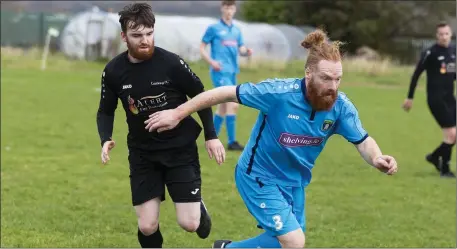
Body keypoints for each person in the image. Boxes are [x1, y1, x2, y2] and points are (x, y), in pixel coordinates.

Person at [145, 29, 399, 248]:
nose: (333, 86)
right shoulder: (278, 93)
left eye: (337, 78)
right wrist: (178, 113)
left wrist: (376, 157)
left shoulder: (340, 106)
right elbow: (225, 93)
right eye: (326, 78)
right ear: (309, 73)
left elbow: (363, 140)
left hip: (295, 183)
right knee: (294, 241)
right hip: (259, 177)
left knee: (285, 243)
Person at [96, 3, 226, 248]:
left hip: (180, 150)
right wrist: (105, 138)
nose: (144, 40)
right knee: (147, 226)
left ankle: (197, 205)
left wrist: (211, 135)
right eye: (137, 35)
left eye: (149, 33)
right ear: (124, 37)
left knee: (189, 224)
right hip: (142, 153)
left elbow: (202, 96)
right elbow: (105, 110)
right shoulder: (113, 71)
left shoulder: (171, 64)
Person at [402, 21, 456, 178]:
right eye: (441, 34)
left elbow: (451, 73)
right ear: (436, 36)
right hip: (436, 99)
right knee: (451, 134)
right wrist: (410, 97)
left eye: (446, 34)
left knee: (453, 135)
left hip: (450, 98)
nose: (444, 37)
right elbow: (416, 74)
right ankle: (444, 169)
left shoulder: (453, 52)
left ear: (450, 35)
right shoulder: (430, 53)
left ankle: (434, 157)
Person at [200, 0, 253, 151]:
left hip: (232, 72)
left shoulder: (236, 30)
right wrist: (212, 62)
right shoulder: (214, 28)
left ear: (234, 10)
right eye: (226, 7)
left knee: (223, 108)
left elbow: (241, 48)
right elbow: (202, 47)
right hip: (219, 72)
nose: (229, 10)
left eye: (231, 7)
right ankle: (232, 142)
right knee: (233, 103)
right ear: (222, 9)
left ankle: (211, 137)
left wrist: (246, 52)